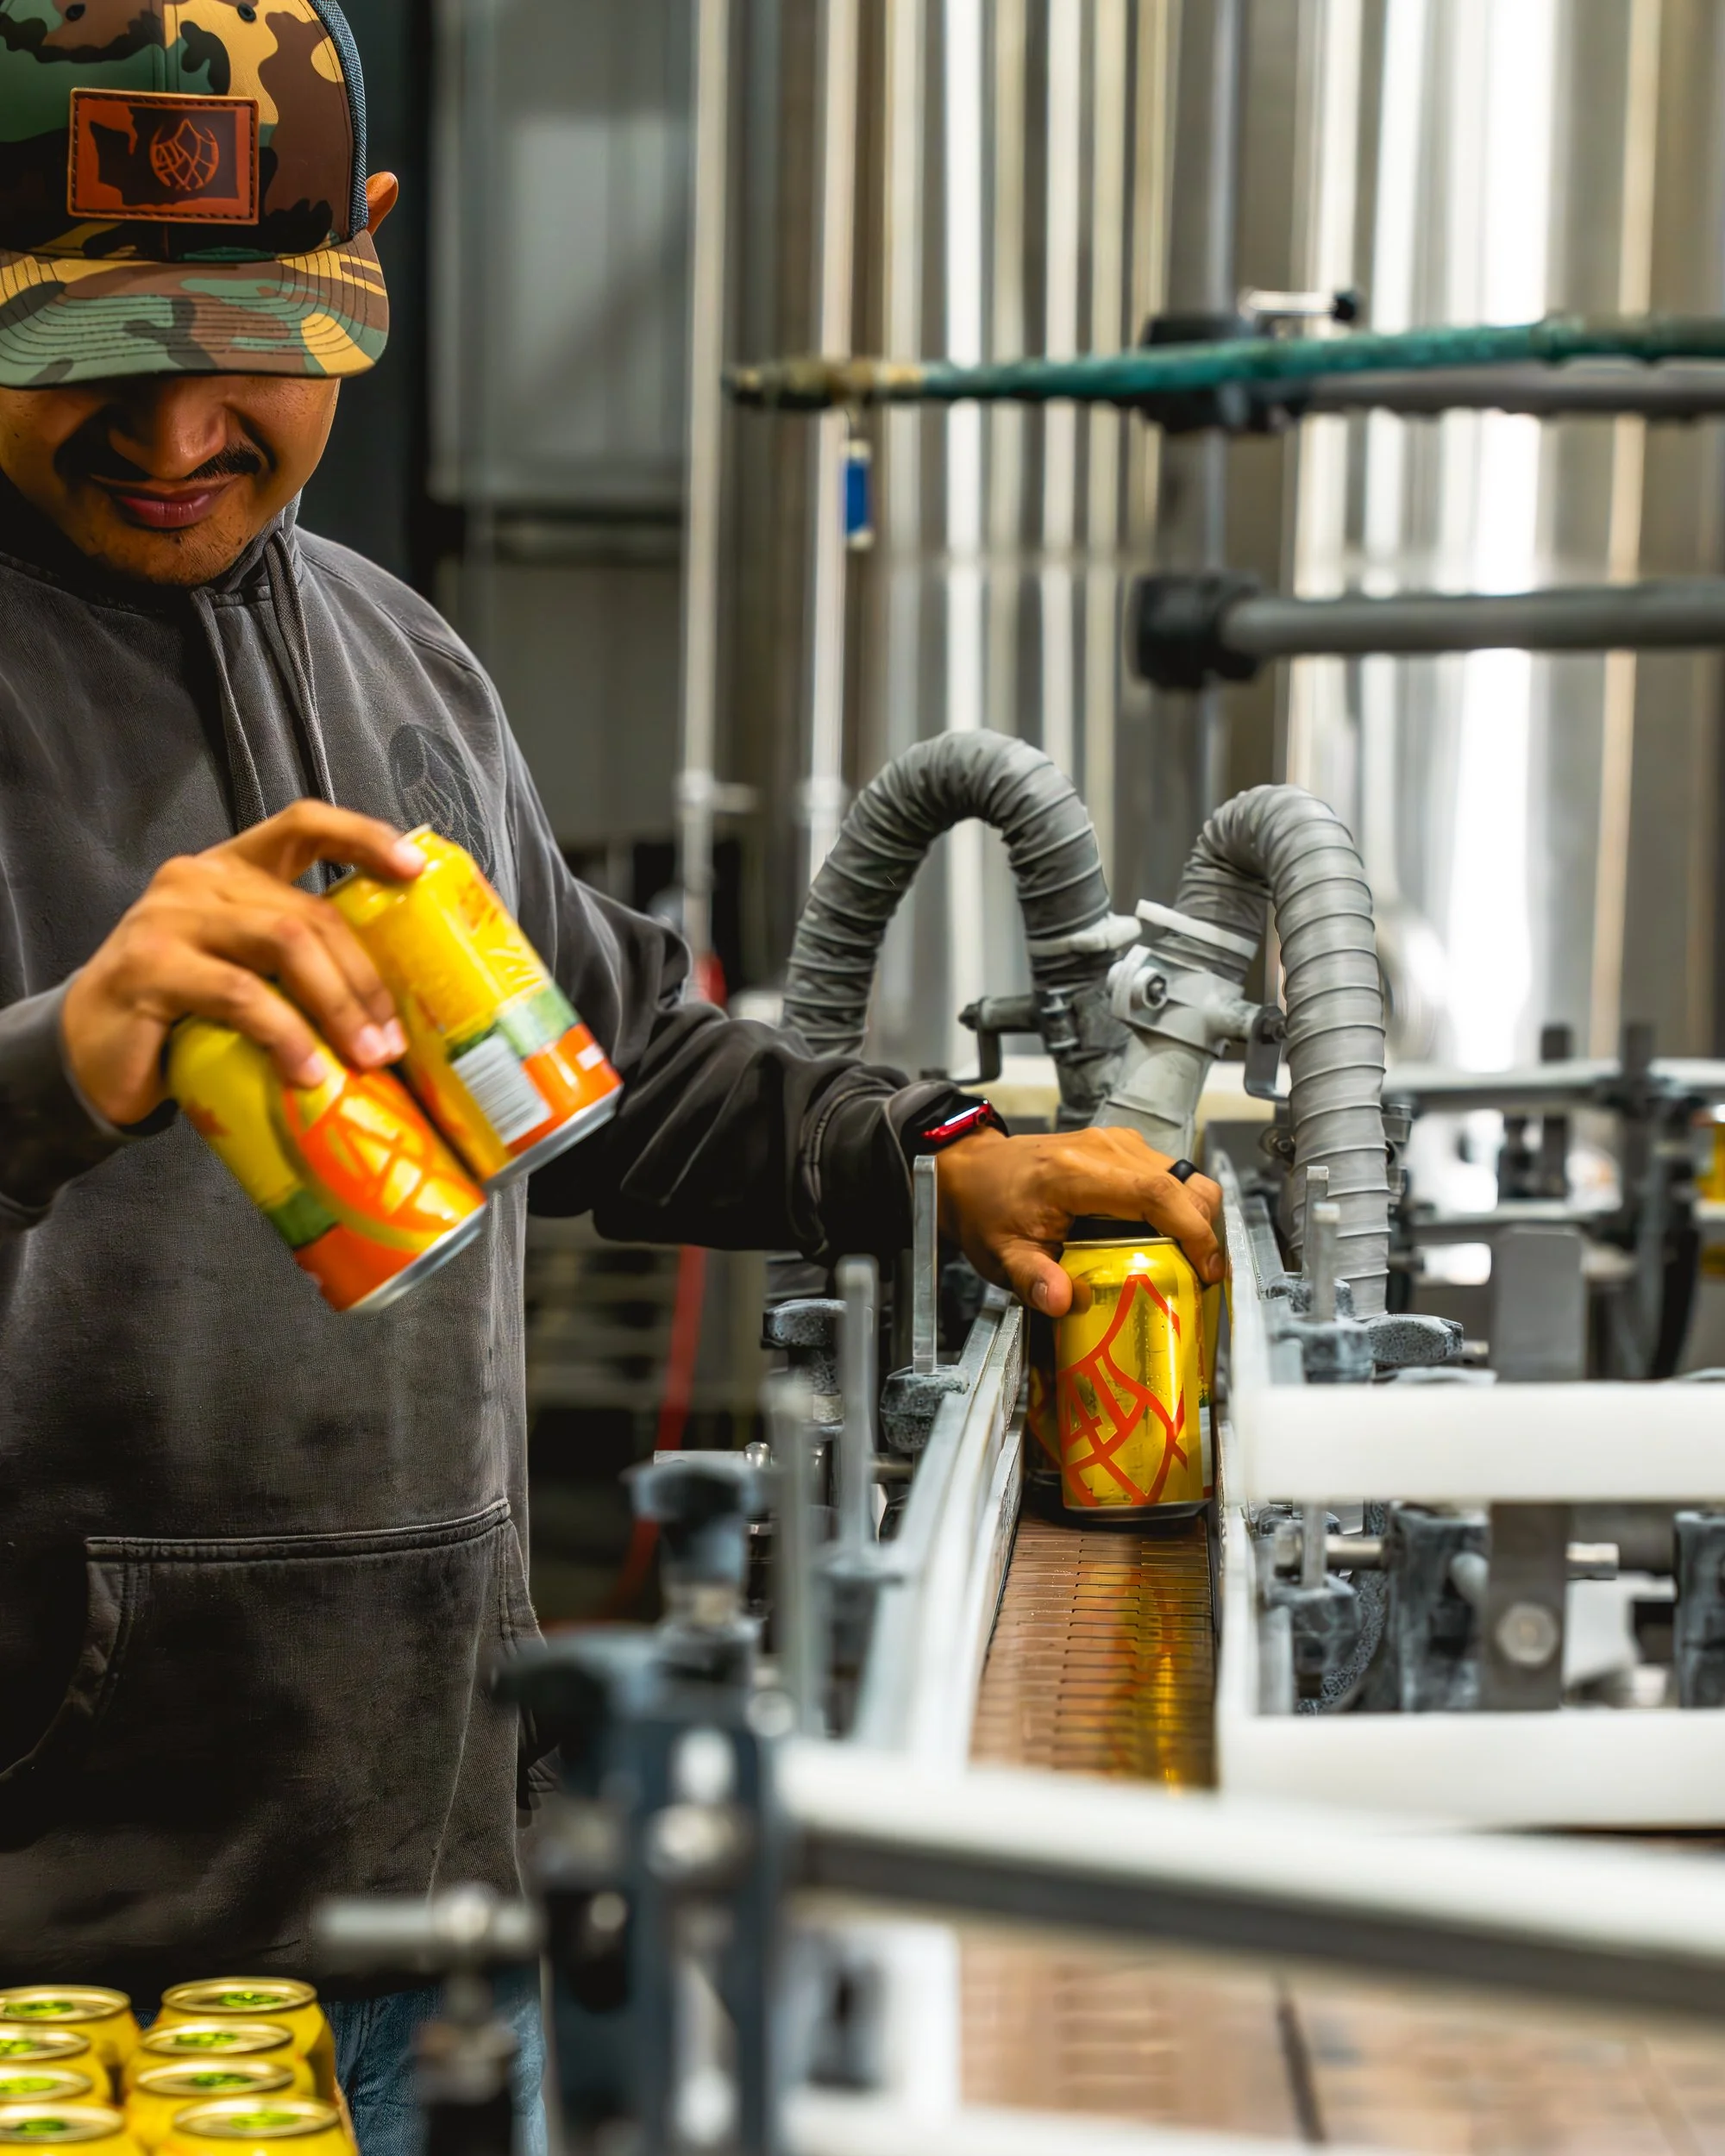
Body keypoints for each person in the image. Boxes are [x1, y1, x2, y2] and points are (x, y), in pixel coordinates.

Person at [0, 3, 1223, 2150]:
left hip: (436, 1877)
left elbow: (601, 1077)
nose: (180, 424)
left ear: (364, 262)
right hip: (64, 1982)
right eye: (88, 353)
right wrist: (56, 1066)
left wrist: (937, 1157)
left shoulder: (398, 662)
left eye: (250, 342)